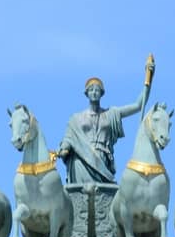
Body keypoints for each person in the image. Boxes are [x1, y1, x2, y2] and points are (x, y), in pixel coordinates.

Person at [57, 56, 154, 186]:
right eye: (91, 90)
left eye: (97, 90)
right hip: (81, 161)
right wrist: (64, 148)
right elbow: (68, 139)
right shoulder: (76, 119)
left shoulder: (111, 114)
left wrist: (149, 80)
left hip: (103, 161)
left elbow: (137, 105)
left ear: (101, 93)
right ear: (86, 93)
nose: (94, 92)